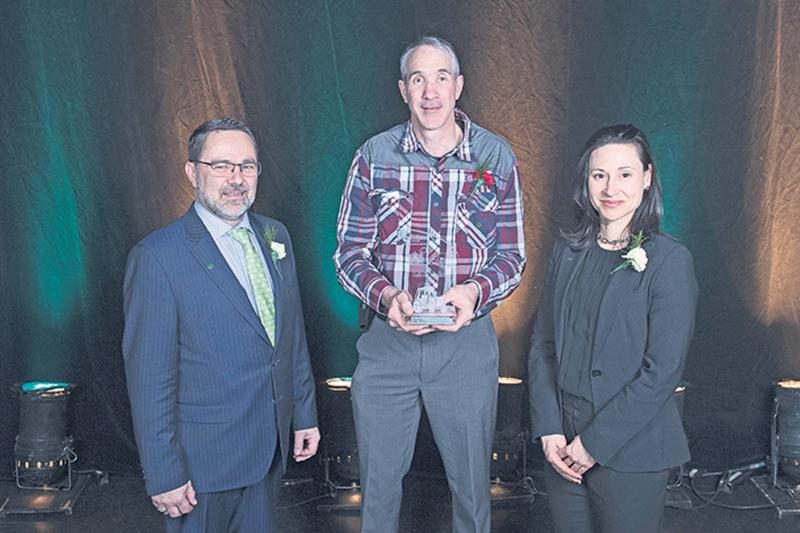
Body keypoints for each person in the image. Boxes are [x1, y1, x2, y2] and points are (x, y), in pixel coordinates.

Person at [333, 36, 526, 533]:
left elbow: (511, 256)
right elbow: (348, 255)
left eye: (442, 77)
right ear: (403, 89)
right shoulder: (374, 156)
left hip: (466, 345)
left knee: (471, 488)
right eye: (418, 78)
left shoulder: (494, 156)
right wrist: (388, 298)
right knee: (376, 489)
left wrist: (472, 294)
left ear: (459, 86)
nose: (430, 90)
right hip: (387, 343)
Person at [123, 117, 320, 532]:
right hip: (201, 467)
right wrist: (163, 472)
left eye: (247, 166)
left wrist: (303, 413)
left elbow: (291, 337)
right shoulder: (158, 257)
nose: (237, 179)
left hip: (269, 450)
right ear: (193, 172)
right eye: (222, 166)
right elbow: (149, 380)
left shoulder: (276, 236)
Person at [528, 124, 698, 532]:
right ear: (585, 181)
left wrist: (593, 444)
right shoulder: (566, 253)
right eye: (598, 174)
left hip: (631, 452)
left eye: (624, 174)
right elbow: (542, 345)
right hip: (562, 449)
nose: (610, 187)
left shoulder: (669, 261)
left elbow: (663, 371)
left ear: (647, 178)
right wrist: (549, 429)